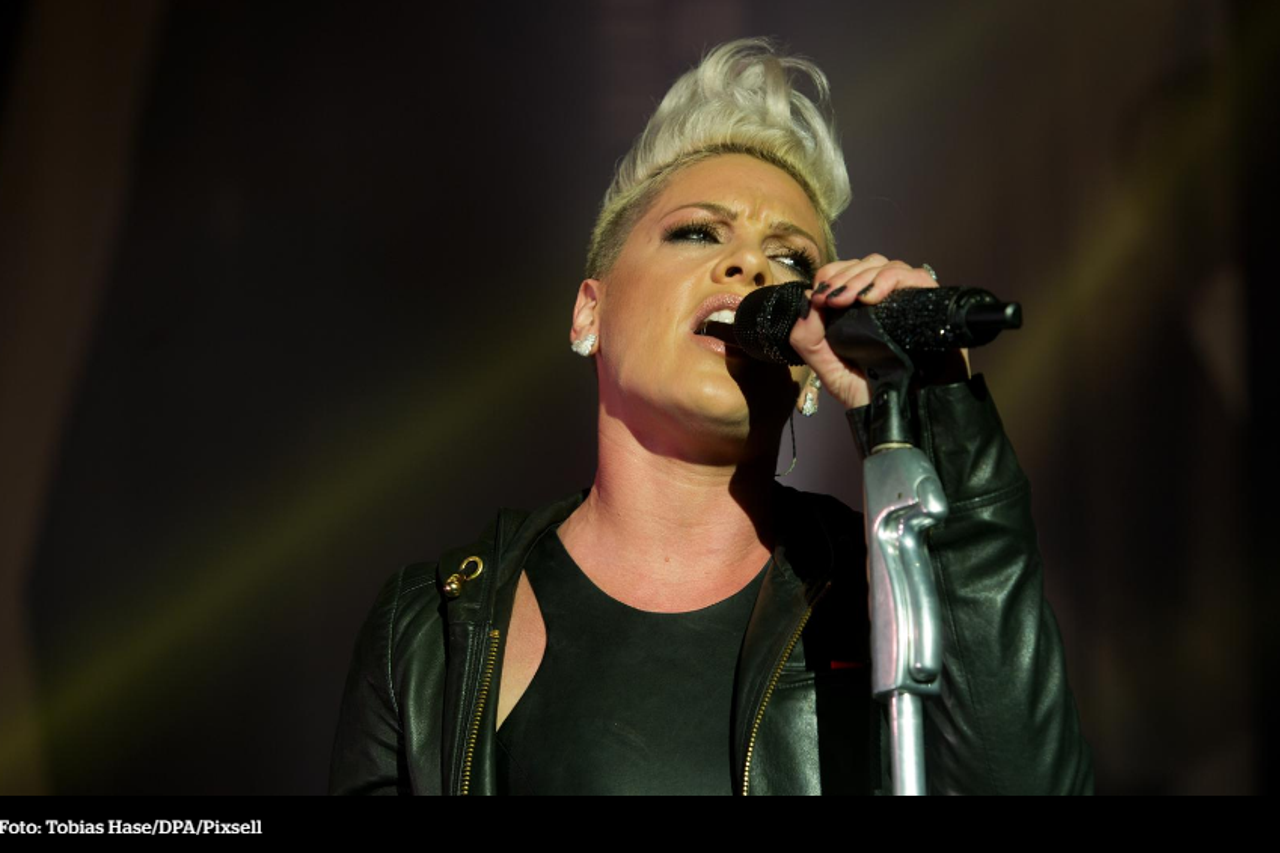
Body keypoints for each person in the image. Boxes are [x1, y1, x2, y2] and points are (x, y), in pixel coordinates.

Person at [328, 37, 1094, 795]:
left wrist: (943, 425)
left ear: (807, 372)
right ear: (589, 312)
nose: (750, 265)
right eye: (697, 232)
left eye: (790, 259)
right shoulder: (432, 633)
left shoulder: (886, 584)